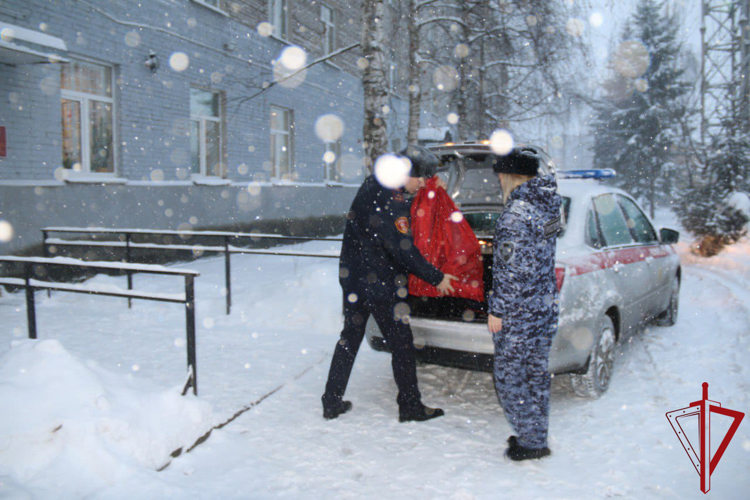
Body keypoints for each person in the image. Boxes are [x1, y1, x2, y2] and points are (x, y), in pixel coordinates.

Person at [322, 145, 457, 422]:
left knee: (349, 338)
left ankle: (332, 401)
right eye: (419, 182)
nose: (419, 188)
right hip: (379, 284)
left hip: (354, 281)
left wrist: (429, 190)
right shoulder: (392, 197)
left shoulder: (374, 184)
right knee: (402, 344)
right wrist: (436, 277)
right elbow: (402, 247)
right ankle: (410, 406)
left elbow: (387, 219)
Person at [486, 147, 562, 461]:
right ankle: (536, 434)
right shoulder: (550, 205)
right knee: (535, 376)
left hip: (518, 312)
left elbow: (508, 270)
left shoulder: (515, 214)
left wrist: (497, 310)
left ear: (509, 175)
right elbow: (545, 251)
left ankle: (531, 441)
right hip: (543, 306)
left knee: (508, 378)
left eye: (500, 175)